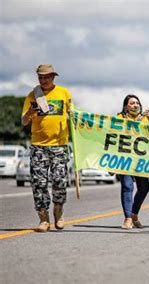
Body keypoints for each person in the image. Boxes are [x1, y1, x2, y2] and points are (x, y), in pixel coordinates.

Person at [21, 64, 72, 233]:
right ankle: (43, 219)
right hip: (39, 147)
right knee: (39, 184)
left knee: (60, 181)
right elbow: (24, 122)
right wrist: (29, 112)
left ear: (53, 77)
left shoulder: (64, 93)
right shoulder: (32, 95)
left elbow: (72, 114)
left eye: (46, 77)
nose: (43, 80)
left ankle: (58, 212)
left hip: (59, 146)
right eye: (40, 78)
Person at [117, 94, 149, 229]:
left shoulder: (146, 119)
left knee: (144, 188)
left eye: (137, 103)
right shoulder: (119, 117)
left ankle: (134, 214)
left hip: (141, 159)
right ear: (126, 106)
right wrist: (135, 122)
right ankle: (127, 218)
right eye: (131, 103)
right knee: (127, 186)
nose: (135, 105)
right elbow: (119, 131)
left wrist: (148, 119)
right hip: (125, 158)